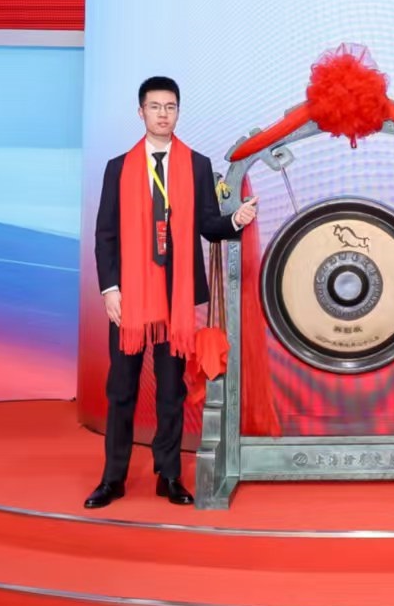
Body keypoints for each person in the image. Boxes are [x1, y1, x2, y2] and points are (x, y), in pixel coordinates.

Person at [87, 75, 257, 509]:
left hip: (175, 294)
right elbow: (105, 235)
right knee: (121, 390)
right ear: (140, 111)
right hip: (130, 295)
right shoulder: (118, 168)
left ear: (178, 112)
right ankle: (112, 479)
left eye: (170, 107)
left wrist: (234, 220)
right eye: (155, 106)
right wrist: (110, 289)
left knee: (170, 392)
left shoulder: (196, 164)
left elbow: (207, 224)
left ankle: (169, 475)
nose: (163, 114)